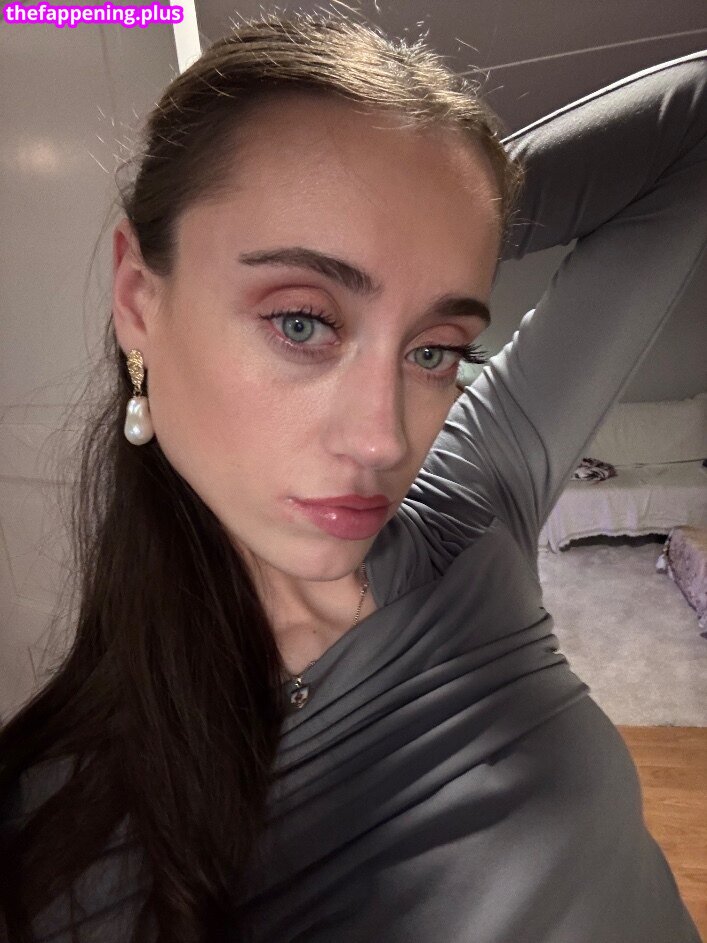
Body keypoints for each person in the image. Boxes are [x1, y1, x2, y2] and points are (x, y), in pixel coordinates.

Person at [0, 10, 704, 943]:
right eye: (302, 321)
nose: (382, 440)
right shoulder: (50, 833)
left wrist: (451, 211)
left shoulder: (468, 513)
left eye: (435, 348)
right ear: (138, 299)